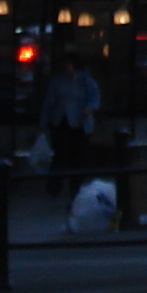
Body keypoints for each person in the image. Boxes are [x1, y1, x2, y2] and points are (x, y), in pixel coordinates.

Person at [40, 51, 101, 193]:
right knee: (59, 154)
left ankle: (76, 185)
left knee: (77, 155)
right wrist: (43, 122)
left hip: (79, 122)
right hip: (60, 120)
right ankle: (55, 184)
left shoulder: (86, 81)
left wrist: (89, 108)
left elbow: (94, 97)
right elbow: (49, 102)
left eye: (69, 64)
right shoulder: (58, 81)